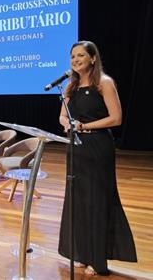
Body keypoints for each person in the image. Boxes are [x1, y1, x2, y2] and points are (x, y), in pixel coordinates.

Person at [58, 41, 137, 276]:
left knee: (97, 201)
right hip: (76, 147)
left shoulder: (104, 82)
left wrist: (84, 126)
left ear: (93, 58)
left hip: (97, 146)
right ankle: (81, 253)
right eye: (72, 56)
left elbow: (116, 118)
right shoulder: (70, 87)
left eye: (81, 55)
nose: (75, 60)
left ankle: (97, 258)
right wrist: (68, 124)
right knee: (78, 201)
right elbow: (62, 116)